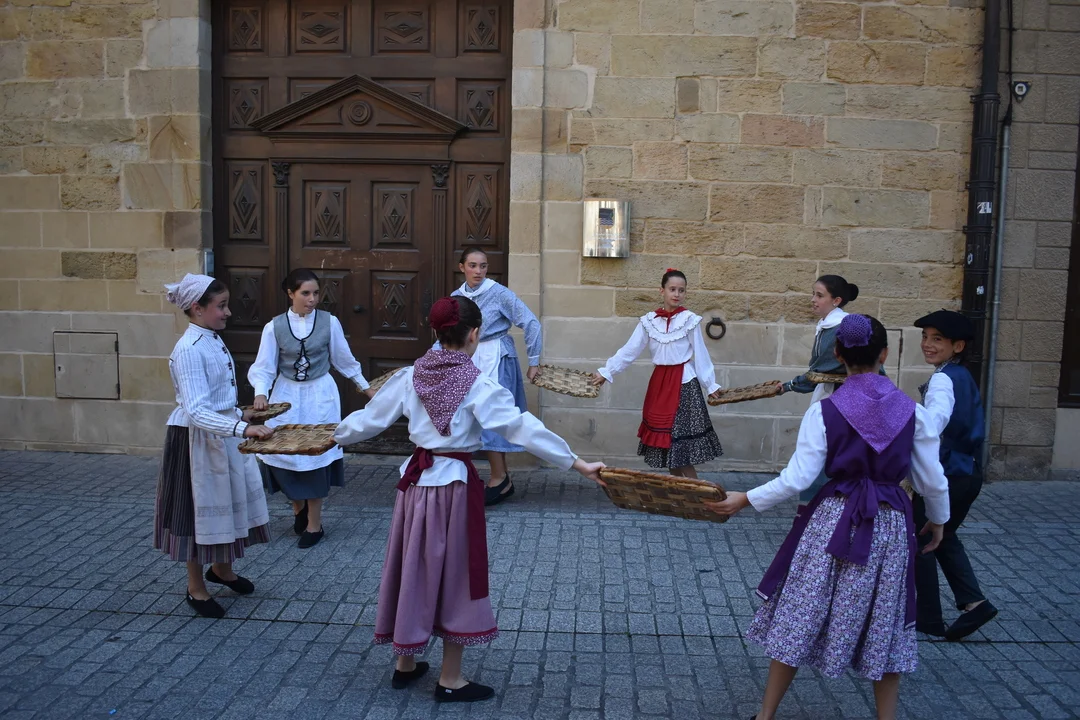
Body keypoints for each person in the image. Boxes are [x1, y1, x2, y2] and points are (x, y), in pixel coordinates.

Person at [334, 296, 604, 702]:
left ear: (435, 332)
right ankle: (450, 678)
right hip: (452, 491)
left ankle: (405, 663)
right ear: (475, 334)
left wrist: (333, 436)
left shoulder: (410, 375)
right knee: (457, 576)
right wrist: (577, 463)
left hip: (415, 489)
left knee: (413, 567)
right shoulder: (478, 383)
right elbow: (521, 427)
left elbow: (370, 419)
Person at [704, 314, 950, 720]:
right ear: (885, 354)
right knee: (885, 621)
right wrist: (938, 520)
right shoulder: (914, 414)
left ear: (837, 354)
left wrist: (744, 498)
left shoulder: (824, 411)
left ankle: (765, 716)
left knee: (802, 610)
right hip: (888, 524)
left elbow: (797, 478)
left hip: (833, 521)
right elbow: (932, 481)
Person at [154, 273, 274, 619]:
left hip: (222, 433)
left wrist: (241, 413)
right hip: (196, 440)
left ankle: (222, 569)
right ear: (197, 308)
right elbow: (196, 410)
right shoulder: (189, 349)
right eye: (221, 306)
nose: (228, 312)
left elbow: (216, 400)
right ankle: (196, 588)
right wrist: (242, 427)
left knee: (228, 503)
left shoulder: (211, 338)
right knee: (197, 513)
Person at [248, 268, 372, 549]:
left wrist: (366, 388)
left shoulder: (330, 322)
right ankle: (298, 509)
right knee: (282, 454)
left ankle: (315, 525)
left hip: (320, 395)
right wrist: (260, 393)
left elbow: (344, 360)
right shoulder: (274, 327)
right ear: (290, 293)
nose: (312, 299)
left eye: (316, 293)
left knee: (316, 456)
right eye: (305, 293)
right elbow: (264, 367)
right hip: (286, 395)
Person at [590, 268, 722, 478]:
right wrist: (607, 372)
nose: (677, 294)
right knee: (667, 446)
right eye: (672, 289)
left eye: (681, 290)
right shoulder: (649, 321)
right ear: (662, 291)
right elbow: (630, 350)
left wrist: (710, 384)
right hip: (660, 384)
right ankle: (679, 491)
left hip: (684, 385)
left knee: (680, 447)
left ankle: (697, 493)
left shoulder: (690, 320)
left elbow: (701, 353)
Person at [913, 309, 997, 640]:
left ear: (958, 346)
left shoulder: (943, 379)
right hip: (967, 473)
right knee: (942, 535)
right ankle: (975, 604)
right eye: (925, 337)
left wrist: (905, 419)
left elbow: (934, 423)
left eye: (937, 339)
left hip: (949, 474)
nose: (927, 344)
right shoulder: (959, 375)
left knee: (921, 538)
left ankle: (928, 618)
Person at [446, 247, 543, 506]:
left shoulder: (499, 293)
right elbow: (447, 333)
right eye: (473, 265)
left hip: (497, 358)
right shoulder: (456, 298)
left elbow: (531, 322)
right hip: (468, 357)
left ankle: (499, 479)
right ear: (462, 267)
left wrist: (534, 361)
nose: (478, 271)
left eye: (483, 266)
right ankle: (492, 478)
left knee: (493, 415)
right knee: (468, 416)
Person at [777, 274, 859, 501]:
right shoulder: (828, 325)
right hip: (833, 396)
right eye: (813, 294)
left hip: (843, 402)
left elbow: (820, 371)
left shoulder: (842, 328)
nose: (813, 299)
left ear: (836, 300)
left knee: (823, 453)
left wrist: (789, 386)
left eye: (819, 295)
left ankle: (817, 506)